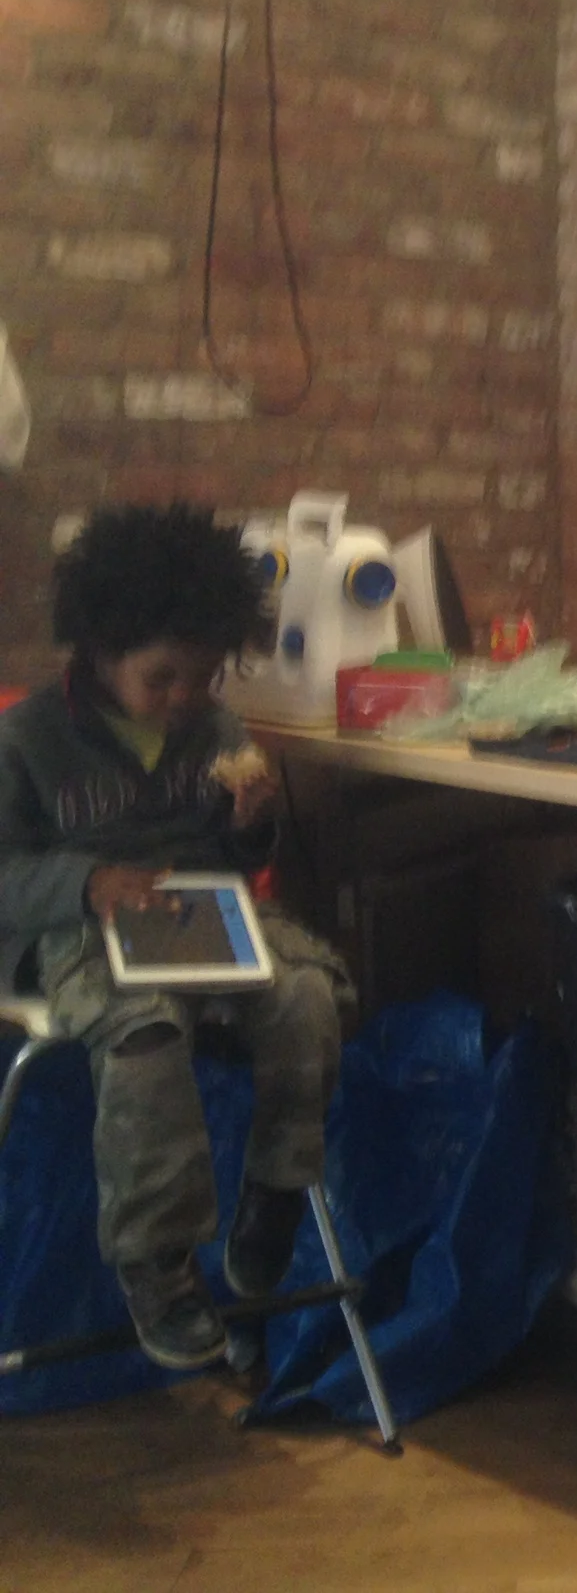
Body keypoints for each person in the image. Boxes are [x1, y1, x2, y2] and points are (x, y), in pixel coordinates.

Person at [0, 503, 350, 1371]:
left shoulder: (214, 731)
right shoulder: (28, 741)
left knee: (308, 993)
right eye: (161, 679)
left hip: (207, 915)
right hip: (84, 929)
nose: (182, 698)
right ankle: (158, 1265)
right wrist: (85, 880)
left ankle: (274, 1192)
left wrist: (248, 825)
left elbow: (235, 859)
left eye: (201, 678)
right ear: (98, 651)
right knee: (147, 1028)